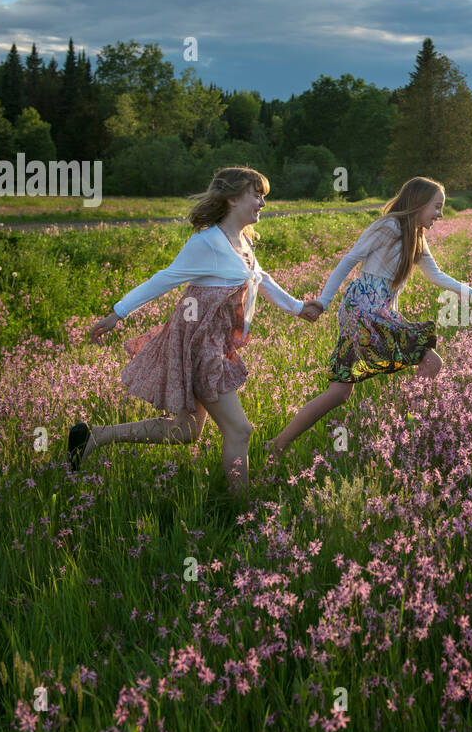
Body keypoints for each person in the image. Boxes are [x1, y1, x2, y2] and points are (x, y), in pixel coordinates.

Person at [68, 166, 322, 496]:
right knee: (240, 429)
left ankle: (95, 436)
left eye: (264, 196)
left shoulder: (241, 241)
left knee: (186, 430)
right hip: (200, 345)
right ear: (232, 199)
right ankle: (240, 507)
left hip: (216, 344)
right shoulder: (207, 242)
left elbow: (262, 279)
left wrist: (299, 308)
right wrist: (118, 312)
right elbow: (164, 278)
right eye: (255, 195)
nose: (262, 202)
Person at [266, 175, 472, 461]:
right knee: (425, 363)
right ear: (419, 202)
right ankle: (399, 432)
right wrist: (323, 301)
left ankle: (280, 443)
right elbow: (349, 259)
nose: (440, 213)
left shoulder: (416, 237)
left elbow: (435, 275)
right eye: (436, 206)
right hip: (362, 311)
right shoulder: (388, 227)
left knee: (340, 393)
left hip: (380, 312)